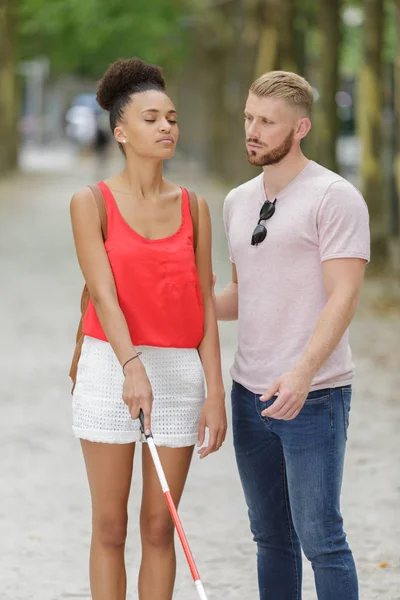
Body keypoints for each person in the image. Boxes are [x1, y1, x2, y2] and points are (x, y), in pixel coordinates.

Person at [69, 57, 226, 600]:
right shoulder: (90, 203)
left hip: (180, 375)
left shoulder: (196, 208)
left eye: (173, 119)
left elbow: (203, 301)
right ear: (120, 131)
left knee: (161, 528)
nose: (166, 128)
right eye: (152, 118)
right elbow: (105, 297)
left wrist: (215, 391)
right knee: (111, 528)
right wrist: (131, 366)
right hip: (111, 367)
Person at [215, 71, 370, 600]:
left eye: (267, 122)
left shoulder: (335, 197)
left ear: (300, 127)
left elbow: (343, 296)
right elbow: (241, 296)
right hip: (248, 393)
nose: (252, 131)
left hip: (314, 394)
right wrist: (165, 305)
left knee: (321, 539)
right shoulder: (237, 200)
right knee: (270, 539)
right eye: (248, 118)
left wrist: (302, 374)